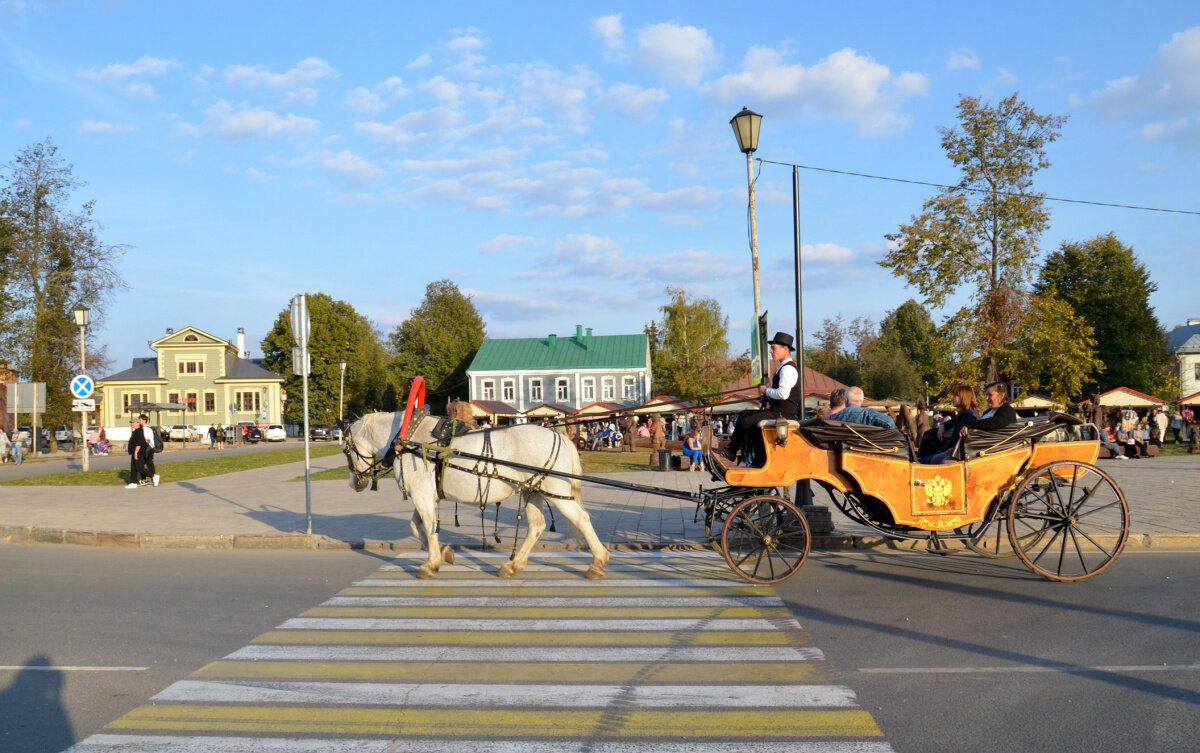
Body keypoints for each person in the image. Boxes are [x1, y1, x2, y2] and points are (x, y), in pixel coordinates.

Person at [728, 332, 803, 466]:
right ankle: (734, 452)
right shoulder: (783, 367)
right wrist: (768, 395)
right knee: (744, 415)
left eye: (774, 348)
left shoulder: (787, 369)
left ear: (785, 349)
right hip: (778, 411)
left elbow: (783, 394)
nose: (771, 351)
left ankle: (759, 459)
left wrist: (766, 390)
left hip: (783, 414)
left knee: (747, 422)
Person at [917, 385, 979, 460]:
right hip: (954, 449)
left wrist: (938, 453)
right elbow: (953, 420)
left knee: (925, 459)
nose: (952, 398)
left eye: (956, 396)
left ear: (964, 398)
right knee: (928, 435)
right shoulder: (965, 414)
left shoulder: (968, 416)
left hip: (957, 452)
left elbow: (956, 439)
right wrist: (943, 425)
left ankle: (919, 461)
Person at [826, 387, 897, 429]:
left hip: (844, 450)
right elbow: (890, 424)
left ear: (846, 400)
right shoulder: (869, 413)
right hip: (865, 449)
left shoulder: (834, 417)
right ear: (862, 400)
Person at [126, 418, 147, 488]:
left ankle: (153, 475)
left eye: (133, 422)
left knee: (139, 468)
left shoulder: (139, 431)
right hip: (134, 452)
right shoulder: (136, 431)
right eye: (131, 422)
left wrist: (136, 452)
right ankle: (133, 482)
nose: (132, 424)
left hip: (138, 452)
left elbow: (139, 443)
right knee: (133, 468)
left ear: (138, 423)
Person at [139, 414, 159, 487]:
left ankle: (152, 477)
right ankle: (152, 478)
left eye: (140, 420)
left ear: (144, 420)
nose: (139, 421)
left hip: (148, 448)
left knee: (142, 464)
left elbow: (146, 440)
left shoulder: (146, 429)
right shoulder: (144, 428)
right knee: (149, 464)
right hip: (148, 448)